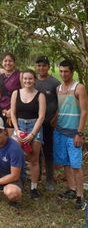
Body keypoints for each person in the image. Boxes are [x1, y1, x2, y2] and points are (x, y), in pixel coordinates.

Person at [54, 60, 87, 210]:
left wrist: (79, 133)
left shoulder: (79, 88)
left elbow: (84, 112)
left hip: (74, 133)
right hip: (60, 131)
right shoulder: (58, 88)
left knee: (76, 165)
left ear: (72, 71)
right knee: (65, 163)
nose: (63, 74)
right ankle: (72, 189)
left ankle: (80, 196)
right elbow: (59, 109)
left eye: (66, 71)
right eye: (61, 71)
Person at [11, 69, 46, 199]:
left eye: (30, 79)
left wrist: (32, 134)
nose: (27, 81)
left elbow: (41, 116)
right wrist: (17, 130)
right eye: (25, 78)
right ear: (22, 80)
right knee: (16, 155)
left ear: (34, 80)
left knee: (33, 159)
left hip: (34, 127)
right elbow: (13, 114)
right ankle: (16, 181)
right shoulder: (16, 93)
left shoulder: (40, 95)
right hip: (19, 126)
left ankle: (34, 187)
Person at [35, 56, 60, 191]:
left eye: (44, 65)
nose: (41, 68)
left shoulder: (54, 82)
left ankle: (50, 179)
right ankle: (37, 176)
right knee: (36, 150)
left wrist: (55, 118)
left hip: (49, 123)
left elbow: (60, 102)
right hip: (35, 123)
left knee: (48, 151)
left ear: (49, 67)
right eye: (39, 66)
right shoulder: (34, 81)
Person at [0, 52, 22, 131]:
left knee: (10, 133)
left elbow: (24, 95)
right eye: (5, 61)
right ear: (2, 63)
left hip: (15, 107)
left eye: (10, 61)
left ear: (14, 63)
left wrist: (12, 110)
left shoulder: (20, 75)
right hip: (1, 107)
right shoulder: (0, 78)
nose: (7, 63)